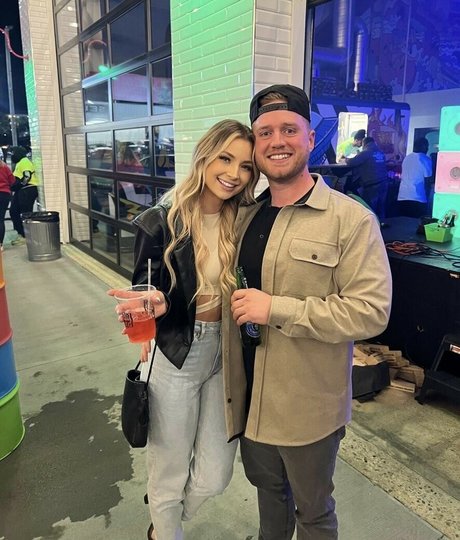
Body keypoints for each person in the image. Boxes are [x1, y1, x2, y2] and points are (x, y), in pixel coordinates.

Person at [226, 84, 392, 540]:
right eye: (264, 133)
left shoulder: (350, 219)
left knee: (313, 513)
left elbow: (371, 311)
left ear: (310, 137)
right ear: (255, 145)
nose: (276, 141)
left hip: (308, 408)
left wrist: (276, 309)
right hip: (250, 398)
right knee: (268, 496)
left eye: (288, 129)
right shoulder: (244, 215)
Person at [108, 119, 259, 540]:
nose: (233, 173)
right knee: (169, 469)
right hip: (176, 352)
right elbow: (144, 289)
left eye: (246, 166)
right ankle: (165, 530)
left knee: (215, 475)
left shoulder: (245, 219)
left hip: (226, 354)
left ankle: (166, 518)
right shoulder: (161, 221)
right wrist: (154, 307)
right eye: (225, 158)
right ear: (205, 157)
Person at [345, 136, 389, 222]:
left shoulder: (366, 152)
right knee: (381, 206)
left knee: (370, 208)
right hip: (384, 182)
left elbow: (352, 162)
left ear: (364, 143)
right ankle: (381, 225)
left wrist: (346, 159)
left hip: (372, 183)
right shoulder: (380, 152)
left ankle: (371, 226)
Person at [9, 146, 39, 246]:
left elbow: (27, 176)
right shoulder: (20, 162)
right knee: (14, 211)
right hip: (22, 190)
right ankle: (21, 233)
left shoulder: (24, 161)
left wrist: (21, 184)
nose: (12, 155)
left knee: (25, 213)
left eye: (13, 153)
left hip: (27, 189)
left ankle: (26, 236)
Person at [397, 137, 433, 218]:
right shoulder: (425, 159)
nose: (427, 148)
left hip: (402, 196)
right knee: (416, 222)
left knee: (404, 221)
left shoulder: (407, 157)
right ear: (423, 146)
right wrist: (427, 196)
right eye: (427, 146)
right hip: (418, 197)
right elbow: (427, 180)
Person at [0, 159, 16, 251]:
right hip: (4, 194)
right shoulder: (4, 167)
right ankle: (0, 244)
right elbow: (12, 181)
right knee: (0, 219)